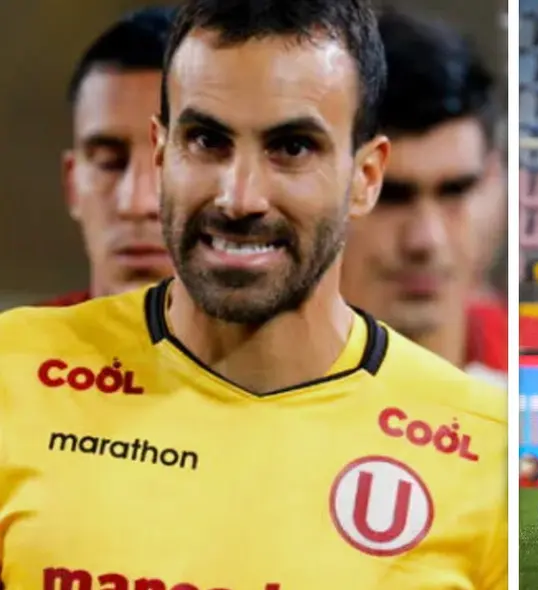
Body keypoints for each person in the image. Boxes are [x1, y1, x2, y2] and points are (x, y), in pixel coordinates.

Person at [0, 0, 506, 585]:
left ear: (365, 178)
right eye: (207, 141)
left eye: (291, 148)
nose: (239, 197)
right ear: (163, 156)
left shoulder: (481, 451)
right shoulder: (16, 375)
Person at [341, 9, 506, 384]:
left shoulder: (536, 383)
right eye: (389, 195)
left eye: (456, 190)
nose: (425, 240)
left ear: (495, 182)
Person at [45, 7, 176, 306]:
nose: (137, 203)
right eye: (109, 162)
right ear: (71, 184)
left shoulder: (290, 352)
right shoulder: (16, 349)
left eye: (169, 162)